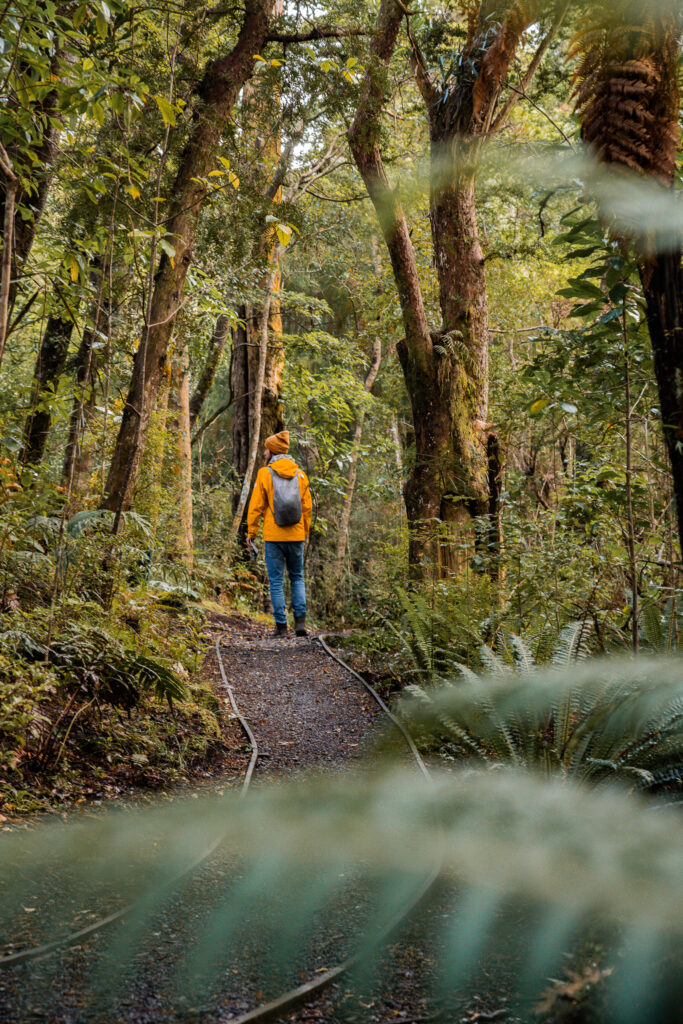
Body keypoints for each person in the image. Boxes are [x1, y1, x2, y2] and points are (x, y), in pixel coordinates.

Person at [246, 430, 312, 637]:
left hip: (274, 537)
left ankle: (281, 627)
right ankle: (300, 624)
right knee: (297, 577)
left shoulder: (265, 473)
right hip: (296, 535)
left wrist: (252, 533)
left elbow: (256, 506)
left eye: (266, 448)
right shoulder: (300, 475)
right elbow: (307, 507)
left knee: (276, 581)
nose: (264, 452)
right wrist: (303, 530)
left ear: (272, 451)